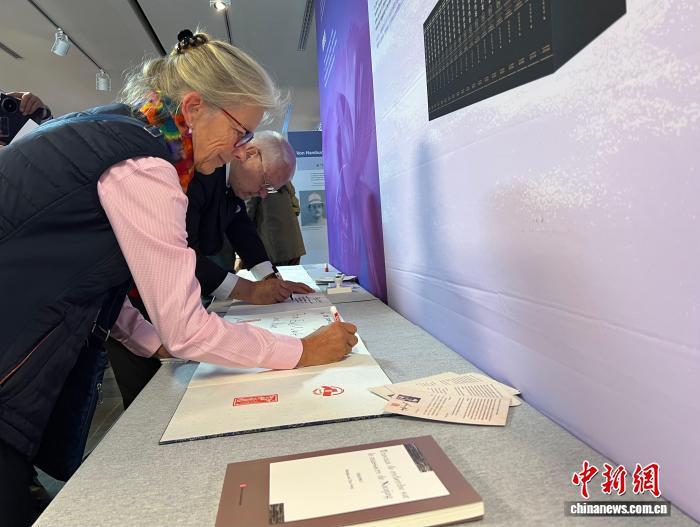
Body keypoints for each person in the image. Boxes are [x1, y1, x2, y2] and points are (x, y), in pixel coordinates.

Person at [0, 29, 357, 527]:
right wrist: (301, 351)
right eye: (241, 132)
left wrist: (152, 340)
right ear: (194, 108)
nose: (238, 150)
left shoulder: (124, 131)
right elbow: (186, 329)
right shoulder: (146, 163)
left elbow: (92, 279)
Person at [109, 132, 312, 409]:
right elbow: (183, 252)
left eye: (272, 189)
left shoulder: (228, 181)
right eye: (265, 183)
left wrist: (270, 279)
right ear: (250, 154)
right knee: (149, 399)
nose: (264, 193)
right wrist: (248, 290)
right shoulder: (199, 172)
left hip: (162, 302)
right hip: (135, 299)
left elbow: (240, 227)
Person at [247, 171, 307, 266]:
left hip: (273, 247)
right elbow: (296, 208)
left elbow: (247, 215)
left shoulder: (255, 178)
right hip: (293, 246)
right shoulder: (282, 175)